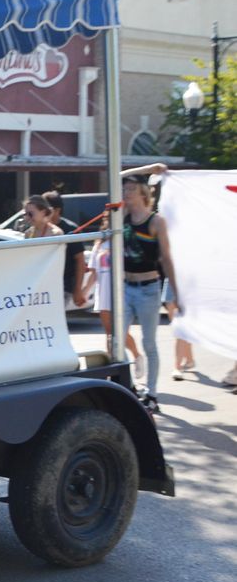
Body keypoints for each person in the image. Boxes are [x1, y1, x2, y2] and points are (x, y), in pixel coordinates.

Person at [120, 172, 179, 411]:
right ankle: (130, 388)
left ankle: (152, 393)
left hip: (148, 288)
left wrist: (175, 290)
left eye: (132, 189)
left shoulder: (156, 221)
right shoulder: (121, 218)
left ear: (144, 192)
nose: (126, 193)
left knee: (149, 343)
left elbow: (166, 257)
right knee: (116, 340)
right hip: (125, 287)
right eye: (125, 189)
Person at [87, 214, 141, 367]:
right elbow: (94, 272)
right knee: (110, 334)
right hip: (103, 292)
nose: (108, 221)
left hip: (120, 292)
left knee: (120, 333)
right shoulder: (100, 242)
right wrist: (84, 291)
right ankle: (113, 367)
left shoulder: (125, 239)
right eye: (106, 218)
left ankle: (137, 356)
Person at [43, 190, 88, 308]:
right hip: (42, 285)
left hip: (63, 286)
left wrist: (78, 289)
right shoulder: (36, 229)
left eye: (46, 208)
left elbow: (80, 260)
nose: (43, 211)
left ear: (57, 210)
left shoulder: (70, 229)